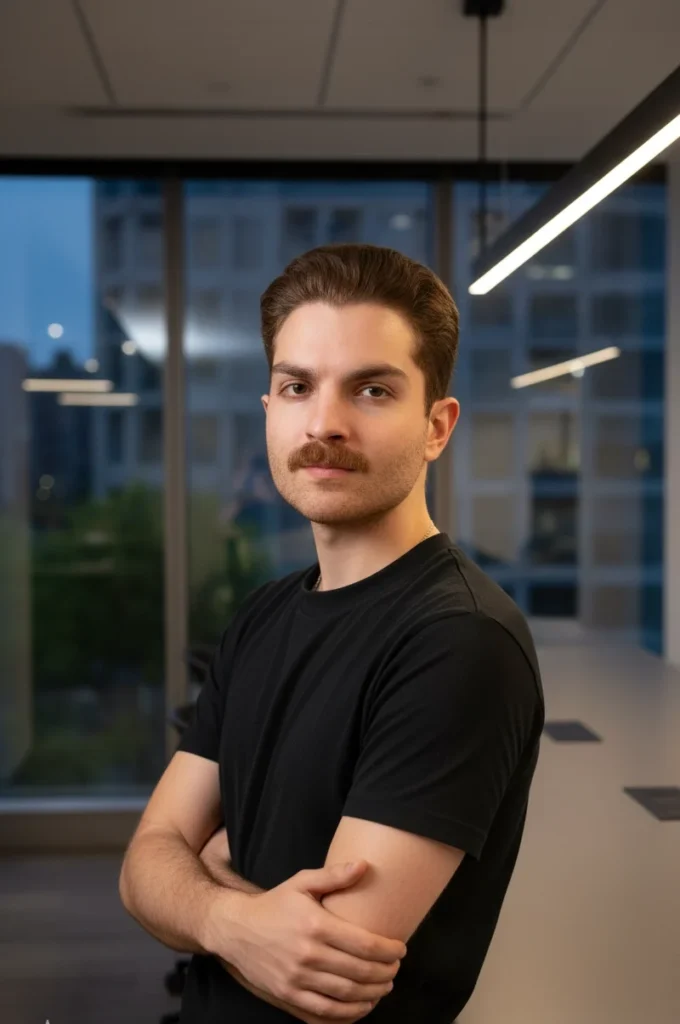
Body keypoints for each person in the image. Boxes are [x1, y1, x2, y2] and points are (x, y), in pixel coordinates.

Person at [119, 243, 545, 1024]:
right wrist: (235, 922)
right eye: (297, 386)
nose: (325, 422)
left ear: (436, 427)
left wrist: (205, 875)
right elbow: (144, 862)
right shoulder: (264, 615)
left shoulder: (459, 643)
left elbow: (323, 977)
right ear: (270, 409)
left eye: (372, 389)